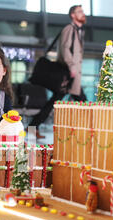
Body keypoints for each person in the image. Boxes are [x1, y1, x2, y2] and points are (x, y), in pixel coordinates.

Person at [29, 5, 87, 138]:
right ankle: (89, 130)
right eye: (80, 12)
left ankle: (32, 127)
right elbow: (65, 48)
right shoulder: (69, 29)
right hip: (68, 75)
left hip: (70, 75)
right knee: (83, 102)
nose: (83, 14)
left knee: (54, 102)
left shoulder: (79, 31)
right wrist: (72, 66)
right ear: (72, 15)